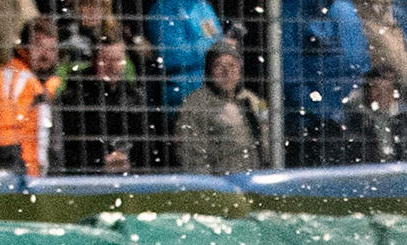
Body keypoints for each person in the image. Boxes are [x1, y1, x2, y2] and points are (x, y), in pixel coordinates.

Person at [283, 0, 371, 164]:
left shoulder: (345, 9)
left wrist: (350, 106)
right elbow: (290, 74)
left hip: (346, 122)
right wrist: (323, 111)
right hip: (309, 126)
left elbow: (359, 63)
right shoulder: (291, 11)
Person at [59, 22, 150, 173]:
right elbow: (69, 147)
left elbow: (145, 144)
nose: (112, 66)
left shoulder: (134, 97)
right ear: (94, 61)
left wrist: (128, 159)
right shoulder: (74, 97)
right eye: (106, 59)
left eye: (117, 60)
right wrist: (101, 161)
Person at [175, 38, 270, 172]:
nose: (226, 72)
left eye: (232, 65)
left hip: (255, 179)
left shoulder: (252, 99)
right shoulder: (196, 104)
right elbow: (190, 155)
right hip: (221, 183)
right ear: (209, 71)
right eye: (219, 66)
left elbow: (269, 142)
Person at [0, 17, 63, 176]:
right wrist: (18, 173)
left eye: (51, 49)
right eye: (38, 46)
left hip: (40, 172)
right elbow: (5, 132)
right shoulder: (13, 78)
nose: (45, 54)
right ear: (24, 47)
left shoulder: (47, 82)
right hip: (23, 174)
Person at [144, 0, 223, 109]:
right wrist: (211, 51)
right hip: (183, 95)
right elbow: (171, 56)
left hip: (215, 89)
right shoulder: (164, 8)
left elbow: (218, 41)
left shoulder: (203, 6)